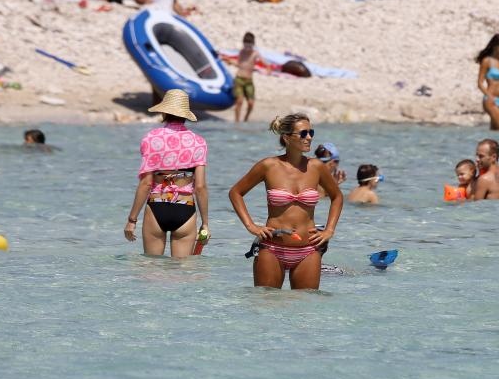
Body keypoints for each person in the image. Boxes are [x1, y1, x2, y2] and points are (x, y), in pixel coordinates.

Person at [228, 113, 343, 289]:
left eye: (311, 132)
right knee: (267, 301)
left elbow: (337, 197)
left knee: (307, 304)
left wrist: (329, 230)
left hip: (308, 249)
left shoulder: (316, 167)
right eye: (303, 133)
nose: (309, 137)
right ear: (286, 137)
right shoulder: (268, 166)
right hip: (272, 248)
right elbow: (236, 192)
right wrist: (251, 226)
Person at [124, 89, 209, 257]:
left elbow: (146, 184)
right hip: (185, 209)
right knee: (182, 270)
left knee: (152, 267)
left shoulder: (151, 138)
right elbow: (200, 187)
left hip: (157, 206)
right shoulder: (198, 142)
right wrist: (205, 224)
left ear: (164, 112)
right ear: (185, 114)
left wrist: (131, 220)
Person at [476, 33, 499, 131]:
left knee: (495, 131)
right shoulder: (486, 61)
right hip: (492, 100)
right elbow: (480, 83)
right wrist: (489, 96)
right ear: (495, 46)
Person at [233, 32, 264, 122]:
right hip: (239, 79)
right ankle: (237, 122)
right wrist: (231, 62)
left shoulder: (255, 53)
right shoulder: (242, 52)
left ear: (253, 45)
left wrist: (268, 69)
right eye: (245, 46)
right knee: (239, 101)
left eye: (249, 46)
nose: (247, 49)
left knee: (251, 103)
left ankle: (246, 119)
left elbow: (265, 63)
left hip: (249, 81)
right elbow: (239, 64)